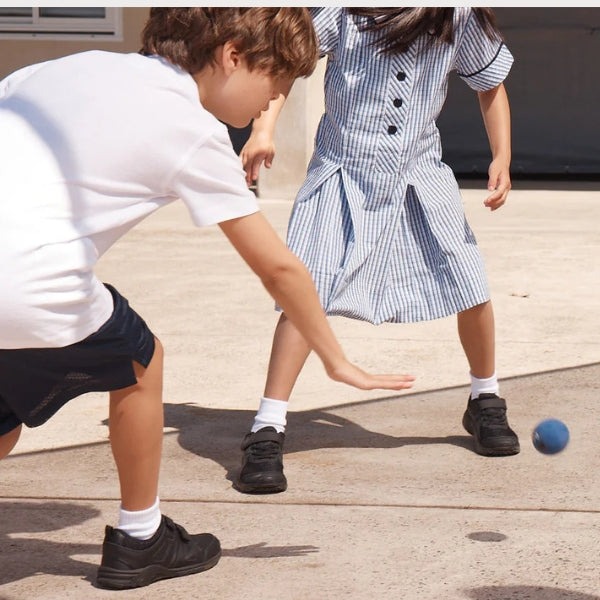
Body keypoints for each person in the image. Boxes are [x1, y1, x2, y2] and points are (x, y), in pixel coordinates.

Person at [0, 7, 415, 591]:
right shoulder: (191, 129)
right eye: (277, 83)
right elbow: (277, 267)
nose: (273, 99)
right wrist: (337, 360)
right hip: (28, 284)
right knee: (139, 360)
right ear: (232, 55)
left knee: (5, 422)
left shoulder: (67, 67)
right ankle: (140, 539)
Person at [236, 7, 520, 496]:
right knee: (309, 290)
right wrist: (264, 130)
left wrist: (503, 156)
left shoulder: (456, 14)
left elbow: (489, 83)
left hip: (419, 170)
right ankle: (268, 425)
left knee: (468, 281)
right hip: (342, 170)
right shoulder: (339, 12)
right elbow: (282, 66)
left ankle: (485, 399)